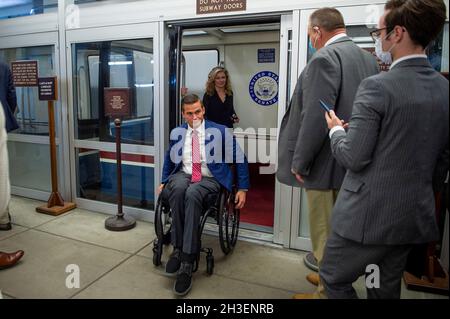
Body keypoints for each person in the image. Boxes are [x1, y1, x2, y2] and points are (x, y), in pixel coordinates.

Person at [321, 0, 448, 299]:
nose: (378, 39)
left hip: (366, 219)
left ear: (398, 33)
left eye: (378, 32)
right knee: (381, 285)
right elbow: (440, 159)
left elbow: (352, 156)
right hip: (411, 217)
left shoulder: (377, 87)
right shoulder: (445, 90)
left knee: (333, 278)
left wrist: (336, 131)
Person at [276, 7, 379, 297]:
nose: (311, 39)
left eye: (310, 34)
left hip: (323, 165)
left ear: (318, 32)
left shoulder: (325, 58)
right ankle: (326, 275)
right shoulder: (367, 60)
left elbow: (315, 118)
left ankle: (326, 291)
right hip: (349, 162)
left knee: (324, 232)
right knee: (338, 229)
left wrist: (301, 161)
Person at [159, 94, 249, 296]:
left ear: (203, 110)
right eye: (189, 113)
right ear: (183, 114)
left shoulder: (220, 131)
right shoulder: (178, 133)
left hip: (210, 178)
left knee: (192, 193)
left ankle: (187, 261)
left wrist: (242, 188)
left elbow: (240, 159)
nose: (194, 116)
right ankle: (179, 248)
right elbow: (169, 158)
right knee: (179, 188)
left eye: (197, 111)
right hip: (184, 174)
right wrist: (164, 181)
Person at [0, 62, 18, 231]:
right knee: (2, 172)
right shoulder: (3, 67)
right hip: (1, 120)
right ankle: (3, 217)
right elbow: (11, 95)